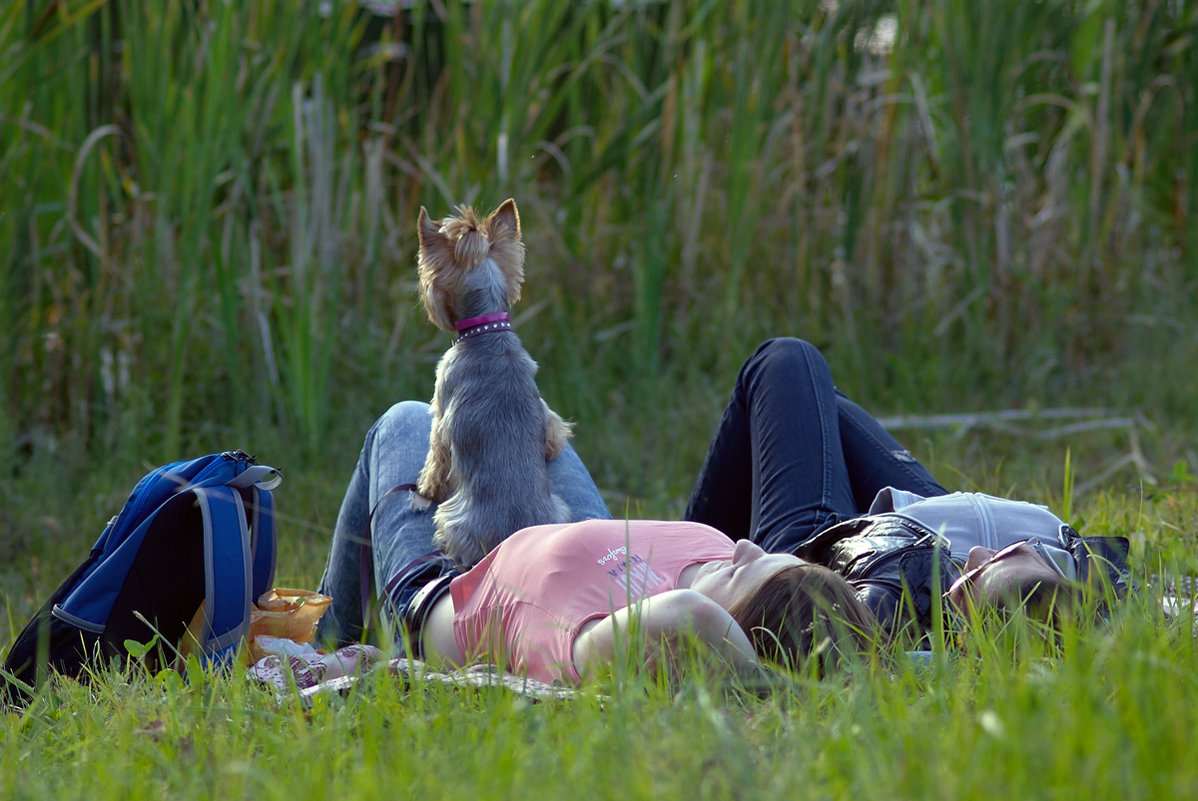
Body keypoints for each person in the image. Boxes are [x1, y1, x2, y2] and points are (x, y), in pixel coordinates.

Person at [314, 401, 876, 685]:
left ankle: (322, 633)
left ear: (723, 631)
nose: (745, 547)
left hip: (444, 590)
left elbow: (690, 615)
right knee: (526, 414)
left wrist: (766, 680)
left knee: (406, 419)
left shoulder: (611, 642)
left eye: (739, 573)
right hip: (561, 526)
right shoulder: (713, 556)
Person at [684, 338, 1133, 638]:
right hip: (929, 514)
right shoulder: (1100, 585)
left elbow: (843, 638)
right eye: (1010, 554)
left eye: (970, 577)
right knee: (819, 408)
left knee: (788, 363)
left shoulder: (887, 606)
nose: (976, 559)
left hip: (823, 556)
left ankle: (688, 564)